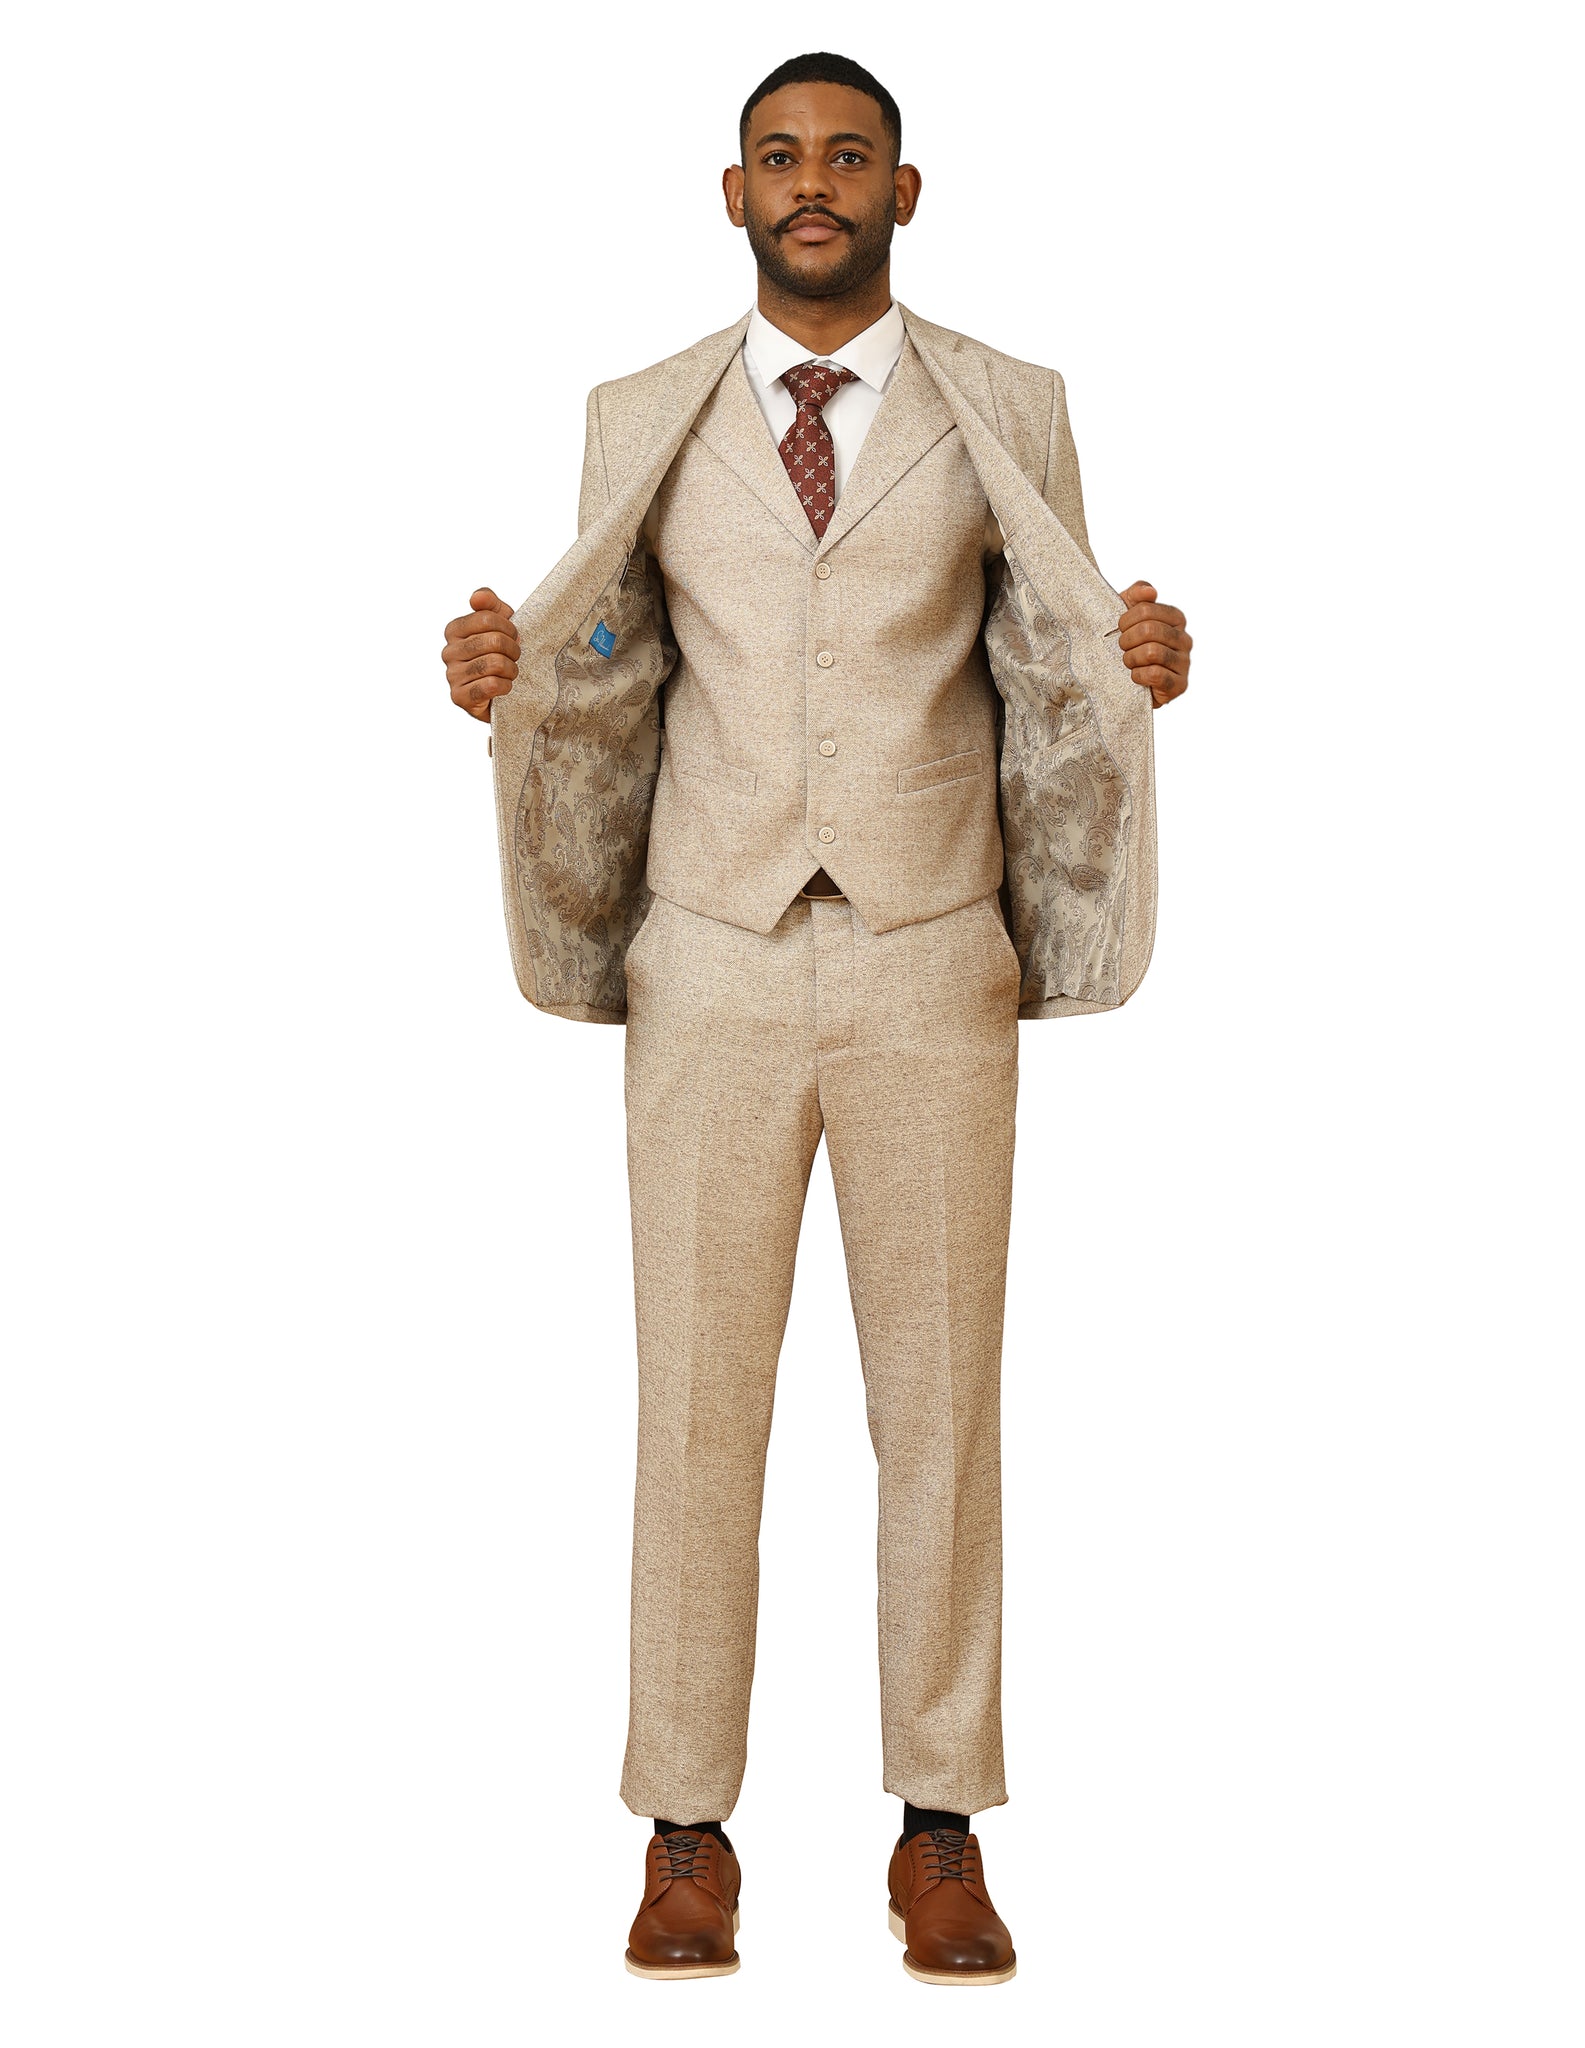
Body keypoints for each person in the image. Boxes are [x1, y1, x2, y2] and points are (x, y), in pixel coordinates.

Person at [441, 51, 1191, 1986]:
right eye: (781, 157)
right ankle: (685, 1833)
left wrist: (1142, 664)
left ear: (903, 192)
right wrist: (512, 677)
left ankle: (941, 1829)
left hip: (934, 957)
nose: (814, 184)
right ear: (733, 193)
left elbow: (1055, 654)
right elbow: (613, 653)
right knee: (696, 1401)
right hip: (711, 958)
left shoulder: (1008, 406)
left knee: (940, 1405)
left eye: (848, 157)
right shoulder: (639, 417)